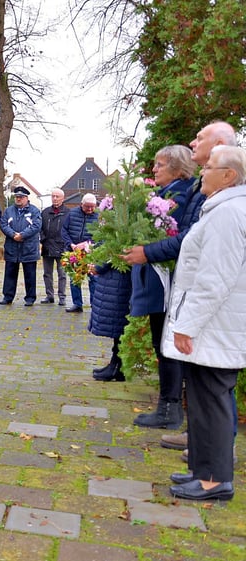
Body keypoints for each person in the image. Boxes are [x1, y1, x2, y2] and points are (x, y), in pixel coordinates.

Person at [120, 121, 238, 449]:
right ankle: (203, 442)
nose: (192, 141)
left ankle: (213, 457)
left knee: (213, 377)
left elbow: (191, 241)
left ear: (219, 146)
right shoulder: (202, 189)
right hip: (195, 290)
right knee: (202, 374)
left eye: (199, 138)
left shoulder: (223, 198)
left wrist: (148, 251)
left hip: (209, 297)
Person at [162, 145, 246, 502]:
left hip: (216, 325)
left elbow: (214, 279)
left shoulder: (228, 214)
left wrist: (188, 325)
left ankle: (214, 479)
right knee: (199, 398)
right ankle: (202, 467)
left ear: (228, 175)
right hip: (214, 324)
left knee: (211, 399)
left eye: (209, 167)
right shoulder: (221, 209)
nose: (202, 172)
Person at [122, 145, 195, 429]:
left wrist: (147, 250)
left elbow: (175, 235)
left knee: (166, 342)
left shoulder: (180, 195)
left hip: (167, 277)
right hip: (158, 276)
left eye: (160, 164)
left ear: (178, 168)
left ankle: (171, 408)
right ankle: (168, 405)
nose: (154, 169)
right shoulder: (169, 192)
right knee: (160, 341)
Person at [0, 186, 42, 306]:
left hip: (28, 248)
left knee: (30, 275)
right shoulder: (9, 210)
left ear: (26, 198)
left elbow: (36, 226)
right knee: (10, 274)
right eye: (16, 197)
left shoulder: (34, 211)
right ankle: (8, 297)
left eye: (21, 197)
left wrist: (22, 235)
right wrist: (13, 235)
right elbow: (3, 224)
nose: (18, 199)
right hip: (12, 247)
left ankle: (30, 298)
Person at [60, 194, 99, 313]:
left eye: (93, 207)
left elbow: (102, 237)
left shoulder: (99, 216)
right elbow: (64, 230)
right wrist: (71, 244)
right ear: (81, 204)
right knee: (74, 278)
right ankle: (77, 304)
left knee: (93, 279)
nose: (90, 209)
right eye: (87, 206)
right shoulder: (72, 214)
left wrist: (87, 244)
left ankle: (95, 304)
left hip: (91, 252)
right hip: (74, 251)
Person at [39, 188, 68, 306]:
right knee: (47, 273)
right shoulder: (45, 212)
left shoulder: (68, 213)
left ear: (63, 198)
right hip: (47, 246)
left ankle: (62, 296)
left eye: (57, 196)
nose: (55, 198)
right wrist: (43, 239)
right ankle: (49, 295)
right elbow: (39, 228)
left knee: (62, 274)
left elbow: (69, 229)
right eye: (53, 196)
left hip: (62, 247)